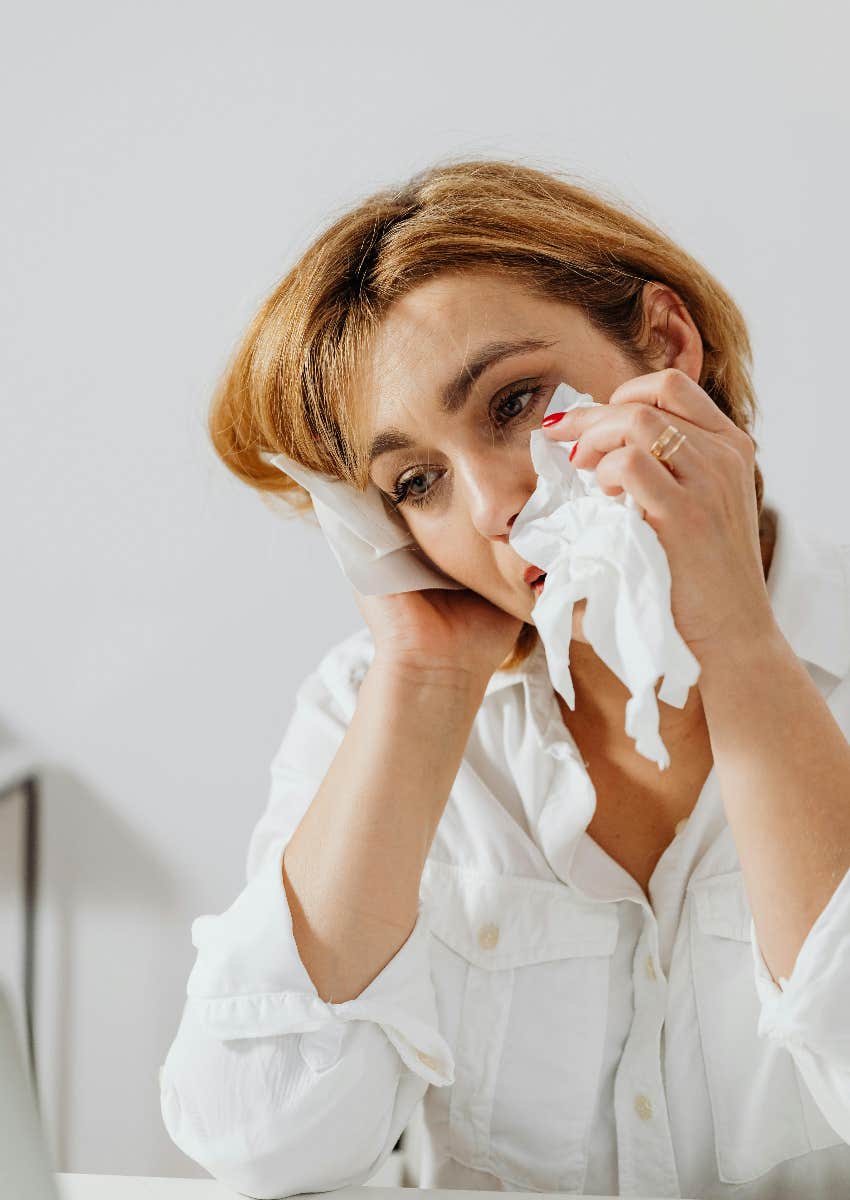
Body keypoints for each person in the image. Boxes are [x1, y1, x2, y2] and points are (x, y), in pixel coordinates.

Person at [159, 158, 850, 1199]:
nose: (491, 503)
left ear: (663, 343)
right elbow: (255, 1146)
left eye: (515, 401)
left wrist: (744, 651)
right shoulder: (368, 710)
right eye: (415, 483)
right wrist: (425, 685)